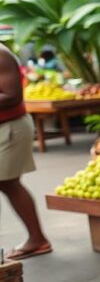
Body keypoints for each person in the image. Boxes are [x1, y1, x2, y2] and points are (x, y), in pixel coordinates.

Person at [0, 44, 51, 260]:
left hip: (10, 128)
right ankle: (37, 239)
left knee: (8, 183)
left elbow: (12, 95)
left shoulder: (1, 54)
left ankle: (38, 240)